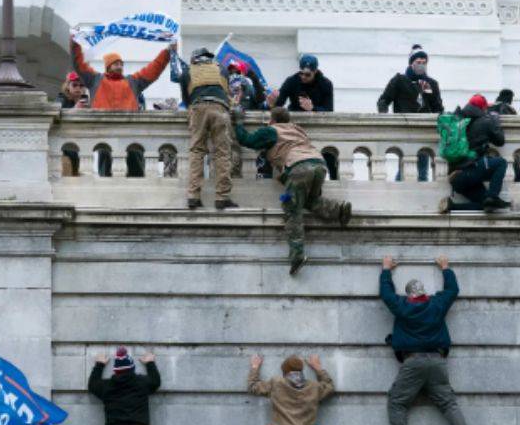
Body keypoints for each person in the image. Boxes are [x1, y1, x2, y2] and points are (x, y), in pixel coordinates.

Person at [377, 254, 474, 425]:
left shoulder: (403, 306)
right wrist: (445, 268)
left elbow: (386, 294)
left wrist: (386, 270)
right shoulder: (436, 304)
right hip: (438, 361)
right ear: (424, 293)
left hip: (414, 362)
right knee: (449, 404)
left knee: (397, 402)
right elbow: (452, 291)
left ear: (409, 295)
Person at [234, 106, 352, 274]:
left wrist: (238, 121)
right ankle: (339, 210)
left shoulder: (271, 130)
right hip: (319, 166)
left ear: (272, 120)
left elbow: (247, 140)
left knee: (291, 208)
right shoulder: (298, 130)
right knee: (307, 201)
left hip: (299, 168)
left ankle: (297, 255)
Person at [176, 47, 236, 210]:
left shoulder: (187, 72)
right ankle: (222, 197)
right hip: (219, 108)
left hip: (198, 108)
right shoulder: (221, 69)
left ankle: (193, 196)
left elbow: (186, 100)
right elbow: (226, 91)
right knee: (222, 152)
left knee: (197, 151)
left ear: (194, 59)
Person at [379, 44, 443, 180]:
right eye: (418, 62)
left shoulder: (431, 83)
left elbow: (438, 108)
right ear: (411, 63)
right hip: (405, 129)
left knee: (423, 169)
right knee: (406, 165)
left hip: (425, 131)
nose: (421, 65)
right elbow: (384, 100)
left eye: (424, 63)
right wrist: (383, 118)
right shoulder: (400, 80)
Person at [439, 94, 509, 213]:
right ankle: (493, 196)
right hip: (471, 170)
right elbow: (500, 141)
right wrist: (495, 121)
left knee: (486, 205)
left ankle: (452, 206)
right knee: (501, 163)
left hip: (455, 178)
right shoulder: (486, 121)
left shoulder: (457, 120)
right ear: (483, 108)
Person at [69, 38, 173, 111]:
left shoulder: (133, 81)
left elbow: (154, 69)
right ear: (108, 66)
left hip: (127, 131)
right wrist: (75, 44)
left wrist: (168, 52)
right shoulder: (95, 80)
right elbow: (79, 65)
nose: (119, 67)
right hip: (101, 131)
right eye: (116, 64)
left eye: (121, 64)